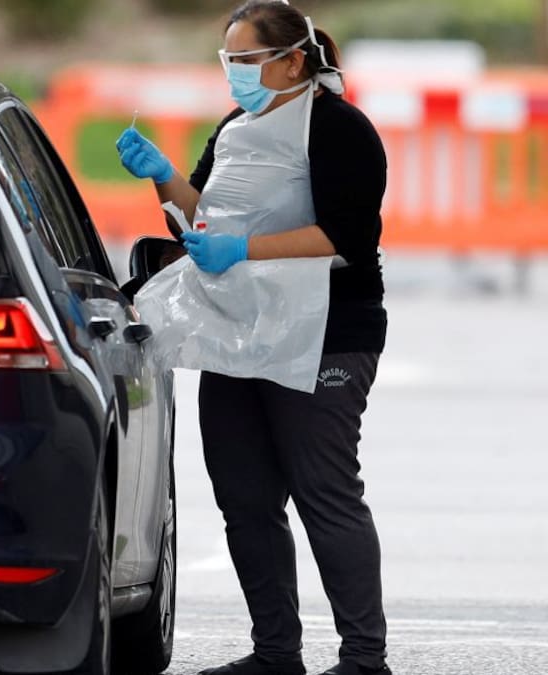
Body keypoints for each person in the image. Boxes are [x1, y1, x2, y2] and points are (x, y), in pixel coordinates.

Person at [114, 2, 390, 675]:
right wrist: (162, 176)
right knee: (244, 495)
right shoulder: (237, 128)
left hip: (326, 334)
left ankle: (364, 658)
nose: (235, 74)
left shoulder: (339, 129)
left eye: (247, 60)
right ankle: (275, 654)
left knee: (325, 491)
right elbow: (201, 214)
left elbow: (346, 238)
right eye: (228, 61)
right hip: (238, 334)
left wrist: (245, 248)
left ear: (293, 59)